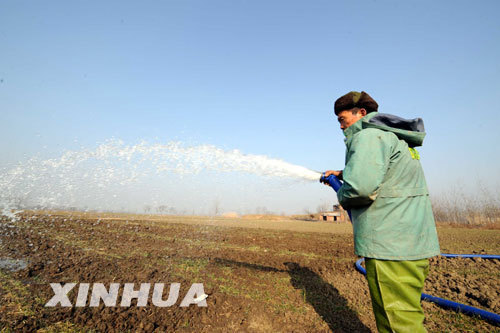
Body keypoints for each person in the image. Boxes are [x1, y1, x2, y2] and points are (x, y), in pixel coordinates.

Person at [322, 91, 440, 332]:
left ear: (362, 113)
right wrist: (343, 174)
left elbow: (360, 189)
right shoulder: (395, 138)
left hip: (390, 247)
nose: (341, 127)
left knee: (397, 322)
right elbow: (387, 173)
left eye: (342, 119)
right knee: (407, 315)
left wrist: (341, 192)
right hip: (411, 243)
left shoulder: (368, 137)